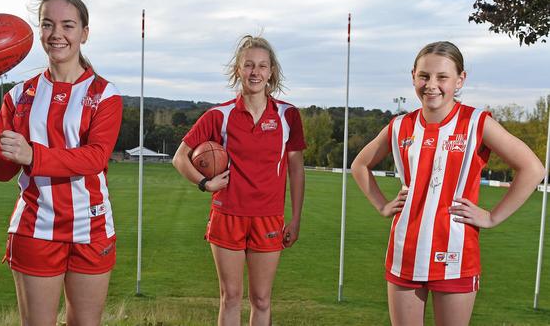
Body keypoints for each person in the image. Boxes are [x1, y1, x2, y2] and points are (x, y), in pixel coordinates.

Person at [0, 0, 122, 326]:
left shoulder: (104, 94)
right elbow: (4, 169)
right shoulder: (18, 96)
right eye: (48, 24)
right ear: (38, 31)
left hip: (91, 226)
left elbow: (95, 158)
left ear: (84, 33)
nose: (57, 34)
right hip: (35, 228)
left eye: (68, 25)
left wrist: (33, 154)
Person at [351, 41, 545, 326]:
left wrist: (492, 217)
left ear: (460, 79)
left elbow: (532, 168)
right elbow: (359, 165)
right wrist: (382, 205)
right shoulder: (399, 126)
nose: (432, 85)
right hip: (405, 250)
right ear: (413, 76)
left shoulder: (476, 122)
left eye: (442, 77)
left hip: (456, 253)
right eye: (424, 76)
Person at [172, 35, 306, 326]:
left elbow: (296, 169)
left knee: (261, 300)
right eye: (248, 66)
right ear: (238, 70)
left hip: (269, 218)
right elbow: (180, 157)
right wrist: (204, 183)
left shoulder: (288, 115)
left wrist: (295, 218)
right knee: (230, 297)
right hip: (227, 214)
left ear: (271, 72)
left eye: (261, 66)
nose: (255, 72)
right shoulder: (218, 114)